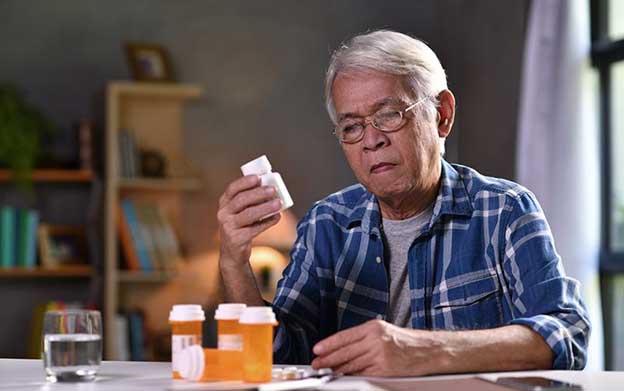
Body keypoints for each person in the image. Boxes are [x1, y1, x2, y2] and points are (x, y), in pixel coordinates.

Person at [217, 30, 590, 377]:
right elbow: (278, 357)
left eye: (389, 115)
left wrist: (426, 350)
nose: (371, 140)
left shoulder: (505, 211)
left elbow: (565, 335)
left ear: (442, 115)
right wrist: (234, 262)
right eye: (352, 127)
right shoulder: (326, 225)